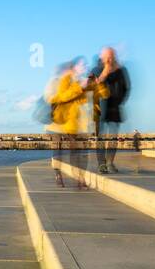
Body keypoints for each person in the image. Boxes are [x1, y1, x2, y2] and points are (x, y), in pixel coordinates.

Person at [43, 58, 90, 187]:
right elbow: (54, 98)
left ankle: (80, 178)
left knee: (75, 150)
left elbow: (82, 101)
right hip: (56, 123)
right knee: (57, 150)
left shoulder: (77, 81)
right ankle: (58, 175)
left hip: (72, 123)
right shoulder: (54, 82)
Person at [89, 47, 131, 173]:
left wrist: (120, 102)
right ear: (102, 57)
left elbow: (127, 88)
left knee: (113, 138)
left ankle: (110, 162)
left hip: (115, 109)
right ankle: (101, 164)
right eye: (107, 56)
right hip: (100, 109)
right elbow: (91, 86)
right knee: (100, 138)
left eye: (112, 56)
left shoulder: (122, 70)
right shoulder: (95, 70)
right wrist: (105, 73)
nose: (110, 59)